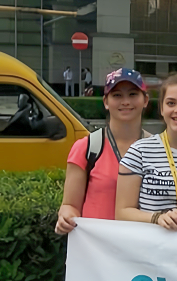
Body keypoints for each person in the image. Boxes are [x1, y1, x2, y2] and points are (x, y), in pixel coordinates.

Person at [115, 73, 177, 231]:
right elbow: (122, 213)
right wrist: (157, 218)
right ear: (162, 108)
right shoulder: (139, 151)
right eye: (171, 103)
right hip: (151, 249)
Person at [55, 68, 149, 234]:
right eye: (117, 95)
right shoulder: (87, 147)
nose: (125, 101)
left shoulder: (159, 148)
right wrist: (66, 217)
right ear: (106, 101)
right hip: (98, 250)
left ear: (145, 100)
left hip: (142, 249)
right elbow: (70, 205)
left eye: (133, 94)